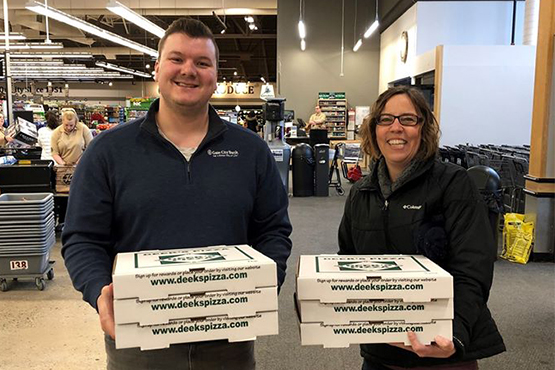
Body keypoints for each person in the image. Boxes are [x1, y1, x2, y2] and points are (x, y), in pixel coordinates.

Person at [61, 17, 292, 370]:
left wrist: (262, 285)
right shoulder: (108, 152)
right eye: (177, 59)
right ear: (157, 69)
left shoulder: (251, 152)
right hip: (137, 340)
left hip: (227, 341)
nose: (189, 71)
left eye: (202, 63)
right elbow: (82, 238)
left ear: (215, 76)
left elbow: (273, 230)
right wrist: (97, 290)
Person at [338, 86, 505, 370]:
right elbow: (348, 261)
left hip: (442, 351)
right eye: (386, 119)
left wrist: (454, 334)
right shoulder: (362, 192)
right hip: (381, 352)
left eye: (408, 119)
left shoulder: (453, 184)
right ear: (374, 128)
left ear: (423, 127)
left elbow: (472, 269)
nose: (396, 128)